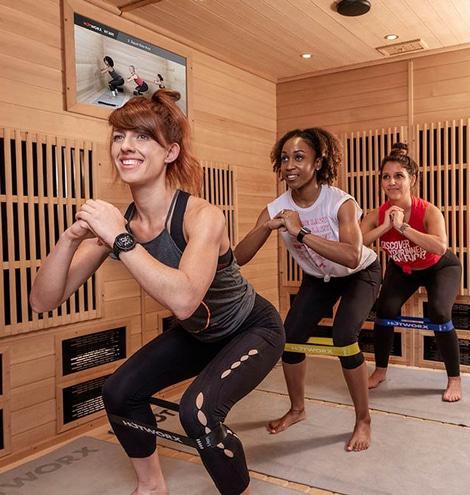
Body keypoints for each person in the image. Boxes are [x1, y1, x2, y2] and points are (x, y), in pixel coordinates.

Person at [30, 89, 285, 495]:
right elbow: (43, 300)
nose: (126, 146)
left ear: (170, 152)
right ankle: (151, 486)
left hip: (252, 329)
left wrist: (119, 239)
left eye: (142, 137)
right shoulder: (122, 225)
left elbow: (183, 299)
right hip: (198, 334)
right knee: (119, 392)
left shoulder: (201, 215)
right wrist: (71, 238)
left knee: (197, 412)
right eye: (119, 136)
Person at [234, 128, 381, 452]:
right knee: (290, 338)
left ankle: (363, 419)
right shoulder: (277, 207)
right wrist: (267, 227)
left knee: (344, 337)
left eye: (299, 157)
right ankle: (297, 409)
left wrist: (300, 233)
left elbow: (352, 255)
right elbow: (239, 257)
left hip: (359, 274)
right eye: (285, 158)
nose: (290, 165)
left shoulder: (339, 202)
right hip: (319, 278)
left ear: (317, 163)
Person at [360, 143, 462, 402]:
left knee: (439, 313)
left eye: (399, 176)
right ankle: (380, 370)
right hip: (403, 269)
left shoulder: (428, 211)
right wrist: (385, 226)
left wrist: (402, 227)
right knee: (385, 311)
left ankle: (454, 378)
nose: (391, 182)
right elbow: (356, 243)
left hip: (439, 267)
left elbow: (440, 246)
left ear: (412, 180)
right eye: (386, 176)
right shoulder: (377, 214)